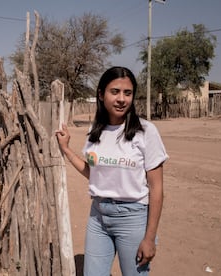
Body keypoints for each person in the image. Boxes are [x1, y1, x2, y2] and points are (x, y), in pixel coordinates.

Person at [55, 66, 168, 276]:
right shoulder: (95, 131)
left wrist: (150, 238)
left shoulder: (146, 131)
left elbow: (157, 187)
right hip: (98, 216)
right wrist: (66, 149)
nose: (121, 99)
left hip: (132, 218)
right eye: (114, 91)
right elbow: (93, 173)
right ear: (101, 94)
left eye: (127, 93)